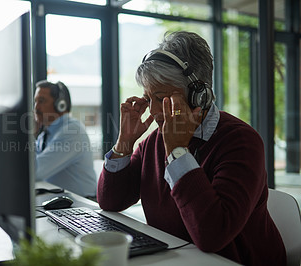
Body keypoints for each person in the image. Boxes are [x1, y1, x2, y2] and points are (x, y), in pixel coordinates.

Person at [97, 31, 286, 265]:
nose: (154, 111)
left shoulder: (242, 142)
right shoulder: (153, 141)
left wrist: (178, 152)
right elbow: (110, 201)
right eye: (148, 98)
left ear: (199, 96)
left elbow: (212, 235)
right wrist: (124, 142)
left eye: (162, 98)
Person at [34, 80, 96, 198]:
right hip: (62, 201)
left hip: (84, 204)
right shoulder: (45, 134)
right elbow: (27, 167)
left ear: (60, 105)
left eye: (41, 101)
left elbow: (35, 173)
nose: (36, 107)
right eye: (35, 101)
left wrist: (29, 135)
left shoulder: (72, 131)